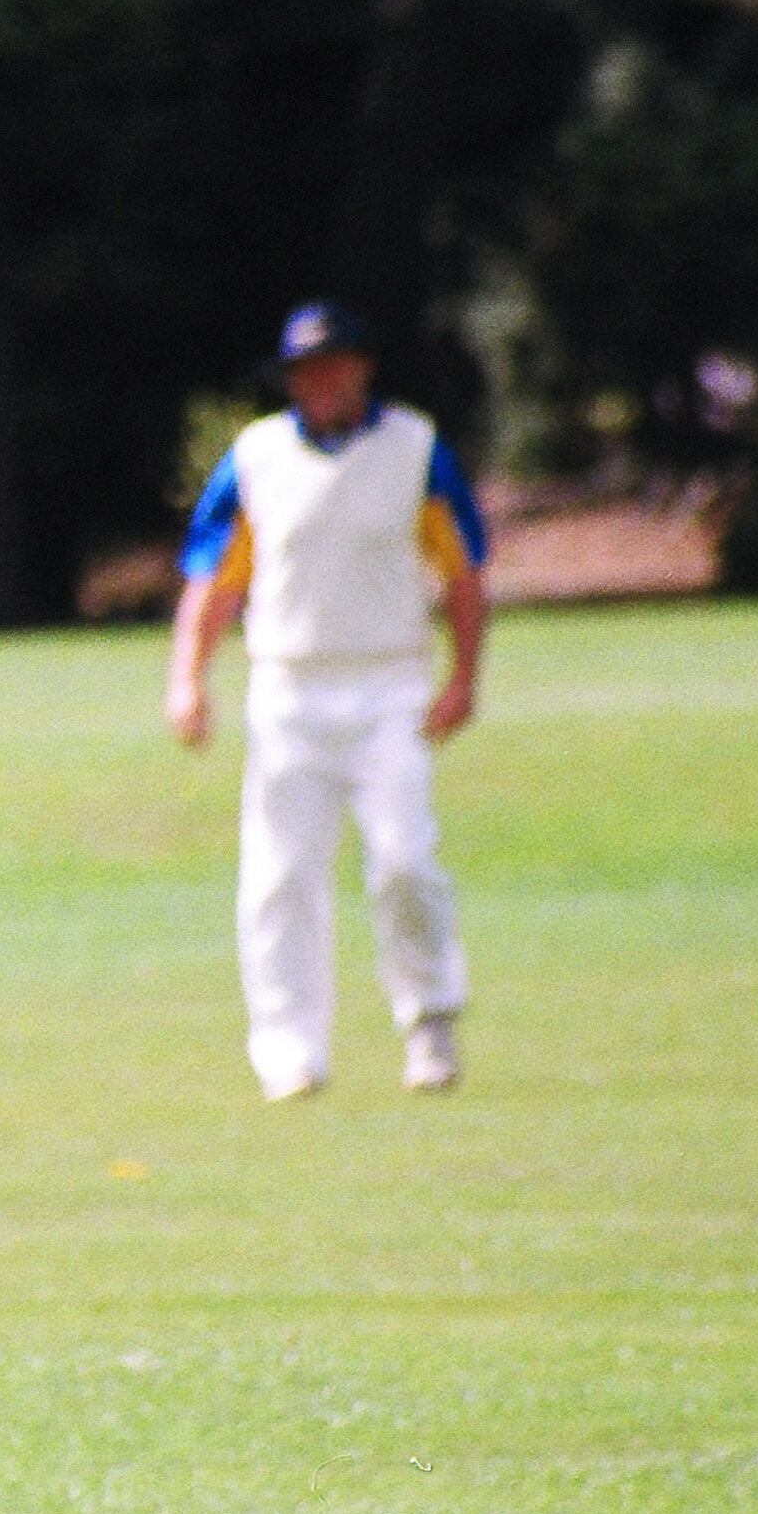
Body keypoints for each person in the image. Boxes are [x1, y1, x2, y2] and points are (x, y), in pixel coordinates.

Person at [164, 301, 491, 1101]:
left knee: (403, 858)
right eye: (305, 369)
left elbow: (461, 573)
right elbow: (214, 577)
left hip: (389, 682)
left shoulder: (413, 449)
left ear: (362, 366)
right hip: (288, 685)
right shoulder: (256, 457)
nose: (321, 381)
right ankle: (288, 1048)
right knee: (278, 874)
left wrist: (461, 678)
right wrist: (187, 677)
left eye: (334, 364)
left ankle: (428, 1020)